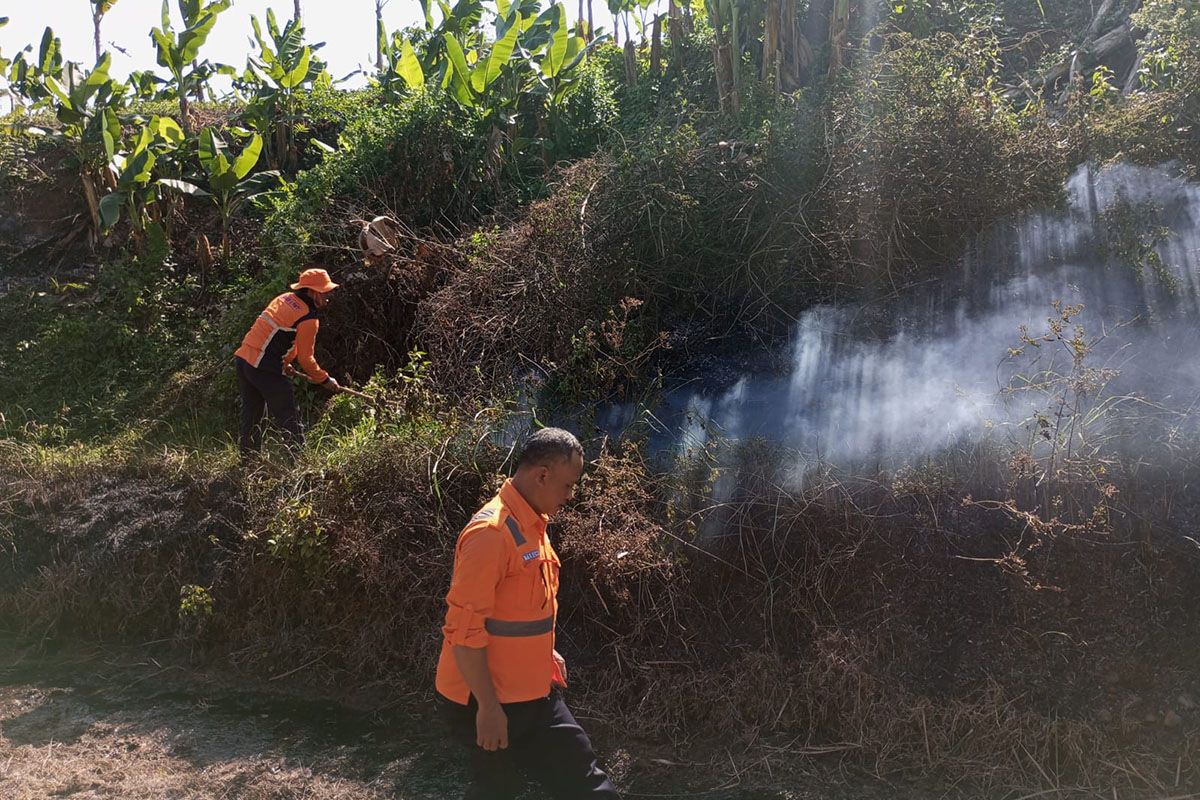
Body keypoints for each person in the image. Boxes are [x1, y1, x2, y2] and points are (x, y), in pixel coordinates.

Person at [435, 427, 620, 799]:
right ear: (542, 476)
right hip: (484, 700)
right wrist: (487, 708)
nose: (571, 496)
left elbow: (519, 611)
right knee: (498, 789)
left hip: (534, 693)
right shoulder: (491, 534)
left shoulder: (532, 524)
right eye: (568, 486)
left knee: (587, 783)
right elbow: (463, 632)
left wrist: (543, 651)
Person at [233, 266, 341, 454]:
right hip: (263, 367)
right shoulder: (308, 317)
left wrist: (284, 363)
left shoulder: (283, 298)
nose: (326, 297)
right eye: (324, 292)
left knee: (251, 415)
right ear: (312, 292)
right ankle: (300, 464)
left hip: (243, 360)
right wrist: (324, 379)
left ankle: (247, 461)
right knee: (288, 415)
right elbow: (306, 358)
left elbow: (283, 339)